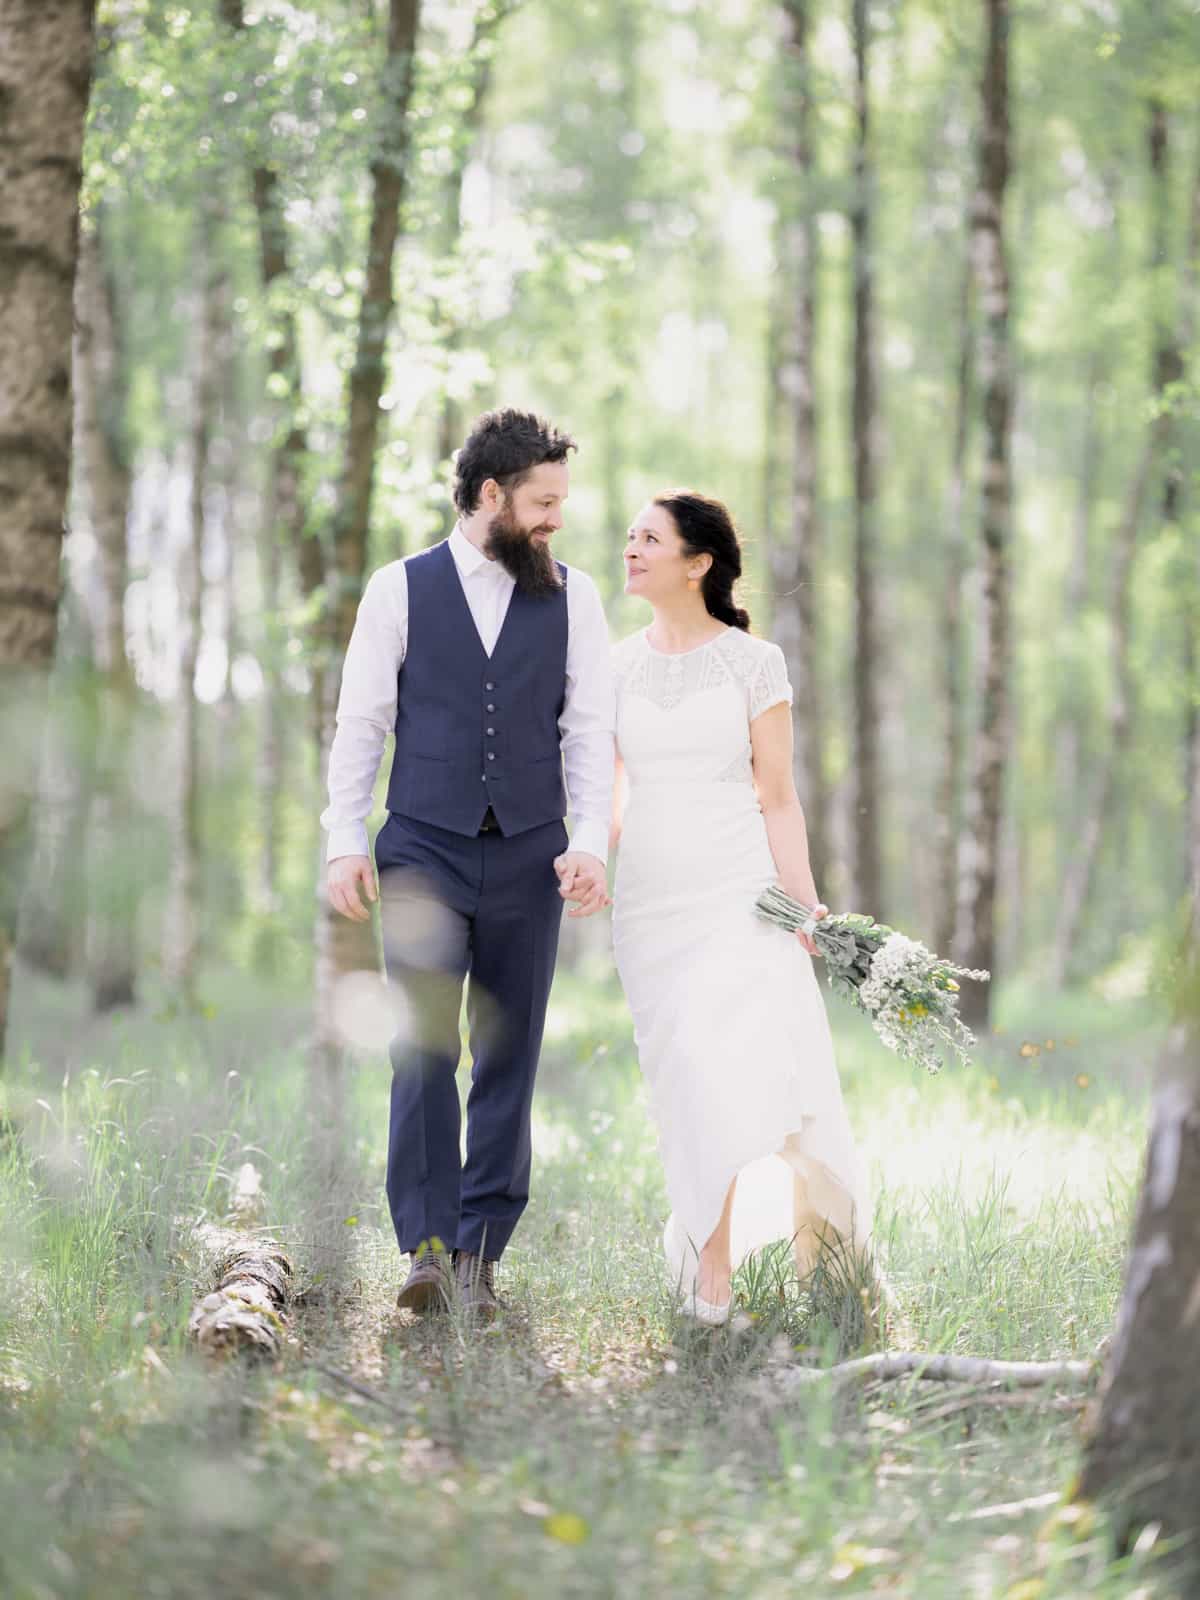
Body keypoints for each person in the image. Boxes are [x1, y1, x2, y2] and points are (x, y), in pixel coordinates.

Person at [322, 409, 615, 1321]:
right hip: (422, 849)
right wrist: (341, 838)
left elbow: (589, 731)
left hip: (531, 855)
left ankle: (483, 1258)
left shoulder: (578, 598)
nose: (555, 519)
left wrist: (590, 841)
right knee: (422, 1049)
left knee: (509, 1054)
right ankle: (427, 1250)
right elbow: (362, 723)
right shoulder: (398, 589)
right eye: (543, 502)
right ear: (491, 495)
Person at [611, 490, 869, 1325]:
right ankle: (709, 1251)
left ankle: (713, 1269)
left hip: (739, 893)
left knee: (731, 1064)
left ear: (698, 563)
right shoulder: (613, 668)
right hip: (651, 905)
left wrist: (805, 908)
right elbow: (605, 798)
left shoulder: (756, 664)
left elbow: (780, 799)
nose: (631, 549)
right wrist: (591, 858)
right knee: (684, 1075)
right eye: (630, 537)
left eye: (650, 539)